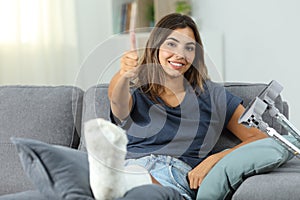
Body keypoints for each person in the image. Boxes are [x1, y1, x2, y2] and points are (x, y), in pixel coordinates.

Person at [107, 13, 266, 200]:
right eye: (171, 44)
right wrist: (124, 74)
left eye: (189, 48)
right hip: (126, 172)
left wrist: (216, 159)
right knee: (69, 164)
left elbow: (260, 139)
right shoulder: (136, 91)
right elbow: (117, 102)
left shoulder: (212, 95)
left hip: (172, 178)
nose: (180, 55)